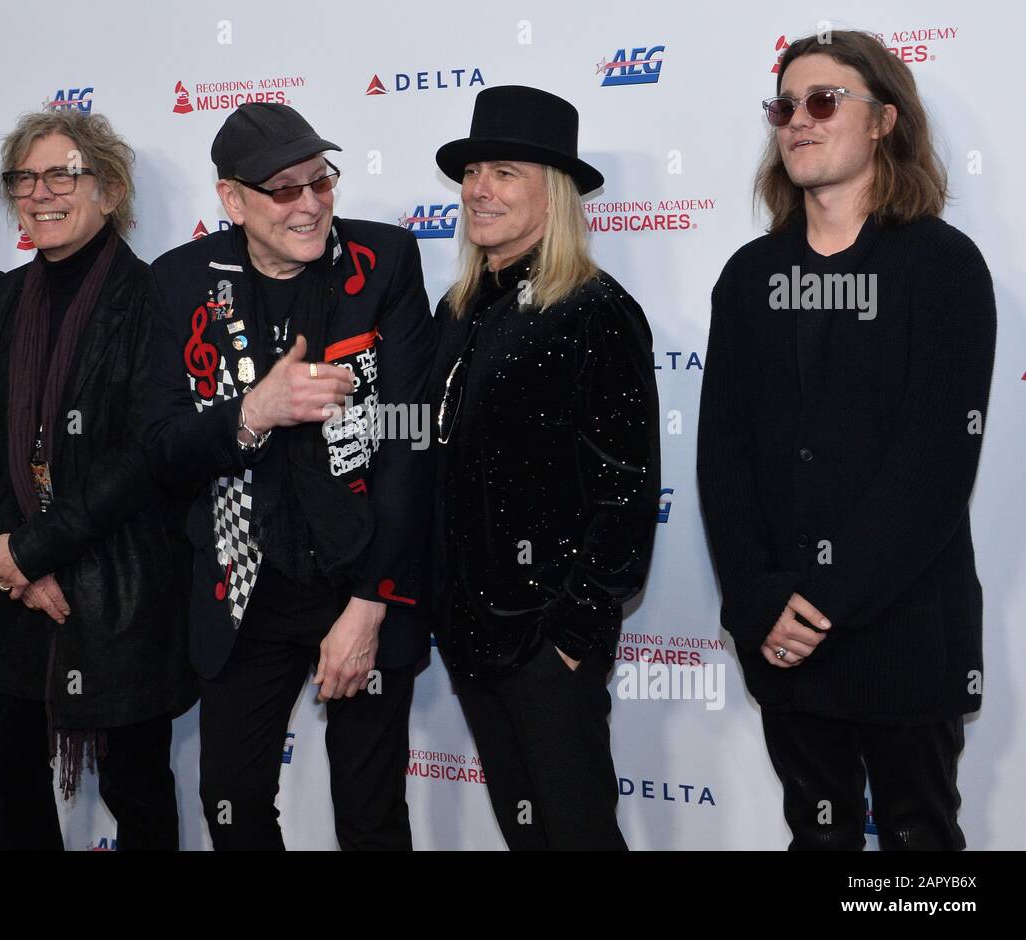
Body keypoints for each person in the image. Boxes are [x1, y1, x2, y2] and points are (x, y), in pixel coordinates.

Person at [697, 30, 996, 850]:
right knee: (816, 838)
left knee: (918, 843)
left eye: (824, 101)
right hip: (783, 636)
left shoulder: (943, 266)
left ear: (883, 122)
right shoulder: (749, 277)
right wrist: (761, 602)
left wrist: (823, 602)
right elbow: (722, 458)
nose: (799, 120)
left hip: (900, 629)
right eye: (785, 105)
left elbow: (934, 467)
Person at [149, 103, 435, 850]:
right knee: (232, 806)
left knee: (371, 815)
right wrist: (254, 411)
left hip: (365, 572)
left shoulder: (387, 261)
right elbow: (161, 446)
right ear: (233, 200)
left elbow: (411, 442)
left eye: (321, 181)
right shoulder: (179, 282)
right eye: (283, 189)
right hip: (247, 588)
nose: (310, 204)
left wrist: (370, 605)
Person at [427, 85, 660, 850]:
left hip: (544, 643)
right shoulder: (460, 308)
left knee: (577, 834)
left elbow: (625, 493)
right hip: (469, 634)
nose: (478, 190)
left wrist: (572, 632)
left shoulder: (595, 310)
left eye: (504, 172)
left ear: (552, 193)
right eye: (472, 173)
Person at [0, 110, 195, 850]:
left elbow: (141, 454)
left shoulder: (153, 296)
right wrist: (16, 554)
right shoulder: (3, 298)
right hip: (21, 588)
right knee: (8, 769)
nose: (42, 192)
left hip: (119, 583)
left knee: (135, 785)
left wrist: (38, 549)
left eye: (63, 173)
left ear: (110, 188)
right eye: (26, 178)